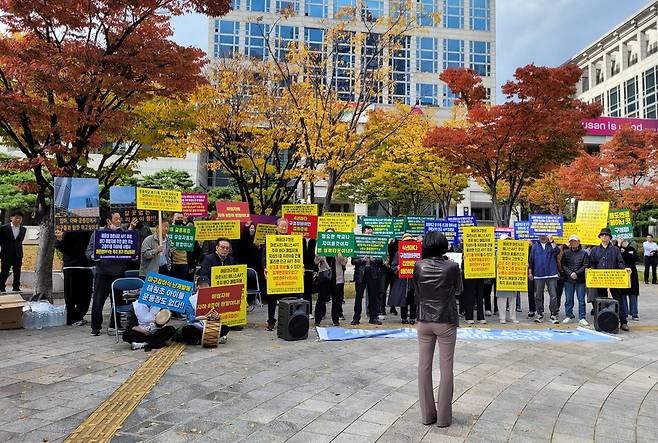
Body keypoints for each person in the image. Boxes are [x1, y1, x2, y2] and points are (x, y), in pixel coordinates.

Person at [413, 232, 462, 428]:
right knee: (446, 368)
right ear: (443, 245)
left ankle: (427, 415)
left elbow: (417, 290)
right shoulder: (452, 266)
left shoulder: (419, 266)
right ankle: (443, 418)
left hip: (424, 319)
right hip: (446, 320)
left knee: (423, 367)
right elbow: (459, 290)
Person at [86, 212, 138, 336]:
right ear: (109, 221)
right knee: (98, 301)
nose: (119, 221)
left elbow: (130, 249)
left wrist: (133, 256)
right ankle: (95, 327)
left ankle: (115, 325)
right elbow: (88, 250)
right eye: (116, 219)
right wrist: (93, 256)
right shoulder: (98, 233)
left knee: (118, 301)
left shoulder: (124, 234)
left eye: (120, 219)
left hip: (119, 272)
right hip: (102, 272)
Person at [589, 228, 631, 331]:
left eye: (606, 235)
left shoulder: (615, 249)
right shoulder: (595, 250)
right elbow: (592, 263)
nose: (604, 237)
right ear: (600, 237)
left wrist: (624, 269)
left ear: (609, 237)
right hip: (600, 279)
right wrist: (591, 271)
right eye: (602, 235)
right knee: (601, 301)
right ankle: (602, 322)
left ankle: (623, 321)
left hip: (614, 278)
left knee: (618, 299)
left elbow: (620, 262)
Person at [55, 229, 94, 325]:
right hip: (72, 266)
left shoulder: (91, 230)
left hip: (85, 266)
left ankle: (75, 317)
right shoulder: (68, 230)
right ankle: (73, 318)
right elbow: (63, 248)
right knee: (72, 295)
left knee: (84, 295)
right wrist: (59, 239)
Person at [177, 277, 230, 345]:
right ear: (198, 286)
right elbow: (189, 317)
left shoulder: (214, 297)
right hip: (197, 325)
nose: (204, 288)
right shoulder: (191, 299)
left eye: (206, 286)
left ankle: (201, 339)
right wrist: (200, 317)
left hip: (210, 325)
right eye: (202, 286)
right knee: (187, 329)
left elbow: (218, 315)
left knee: (225, 328)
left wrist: (216, 316)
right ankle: (209, 338)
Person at [263, 218, 293, 331]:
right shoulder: (270, 239)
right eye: (282, 226)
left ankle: (285, 321)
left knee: (286, 299)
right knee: (272, 300)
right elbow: (264, 255)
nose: (284, 228)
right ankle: (271, 321)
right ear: (277, 227)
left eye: (286, 226)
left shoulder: (292, 239)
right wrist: (265, 268)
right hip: (274, 274)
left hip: (288, 274)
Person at [351, 225, 385, 326]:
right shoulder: (357, 244)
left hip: (373, 273)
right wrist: (362, 260)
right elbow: (353, 261)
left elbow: (381, 260)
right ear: (363, 233)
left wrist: (375, 260)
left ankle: (373, 317)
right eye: (367, 234)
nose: (369, 235)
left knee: (373, 296)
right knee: (358, 296)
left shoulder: (376, 244)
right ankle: (356, 317)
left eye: (371, 234)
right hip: (361, 273)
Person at [529, 234, 560, 324]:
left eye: (544, 235)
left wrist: (552, 241)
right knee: (538, 295)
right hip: (538, 274)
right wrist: (530, 272)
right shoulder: (535, 246)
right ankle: (540, 314)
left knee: (553, 295)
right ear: (538, 236)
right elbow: (531, 260)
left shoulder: (551, 245)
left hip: (551, 273)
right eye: (541, 235)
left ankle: (553, 314)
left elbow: (557, 251)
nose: (542, 237)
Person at [561, 235, 589, 326]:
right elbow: (563, 265)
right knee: (569, 299)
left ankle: (582, 317)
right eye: (571, 241)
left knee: (581, 299)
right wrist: (570, 273)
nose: (573, 243)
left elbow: (585, 265)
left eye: (575, 241)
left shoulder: (583, 253)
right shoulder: (566, 253)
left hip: (580, 280)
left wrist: (576, 273)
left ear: (579, 242)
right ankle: (568, 315)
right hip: (568, 280)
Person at [388, 233, 417, 324]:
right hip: (402, 280)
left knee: (413, 299)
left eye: (410, 241)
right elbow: (393, 266)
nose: (408, 243)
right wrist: (398, 268)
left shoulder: (417, 252)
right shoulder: (398, 253)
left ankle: (412, 318)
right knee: (403, 299)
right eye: (406, 241)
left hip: (413, 279)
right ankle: (404, 318)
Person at [495, 234, 520, 324]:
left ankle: (513, 317)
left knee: (513, 298)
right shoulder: (497, 252)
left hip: (512, 277)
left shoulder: (515, 251)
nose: (507, 242)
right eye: (505, 240)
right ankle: (502, 317)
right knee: (502, 298)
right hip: (502, 277)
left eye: (508, 240)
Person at [0, 210, 27, 293]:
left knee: (17, 271)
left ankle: (16, 287)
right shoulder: (3, 228)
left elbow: (19, 241)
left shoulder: (23, 229)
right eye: (16, 218)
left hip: (18, 253)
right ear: (11, 218)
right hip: (6, 253)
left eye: (20, 218)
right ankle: (1, 287)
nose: (18, 220)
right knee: (5, 271)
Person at [170, 213, 200, 282]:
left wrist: (192, 265)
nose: (180, 220)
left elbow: (193, 249)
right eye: (178, 218)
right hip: (172, 263)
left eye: (181, 218)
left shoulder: (188, 230)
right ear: (173, 219)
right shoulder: (168, 230)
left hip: (185, 263)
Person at [618, 238, 640, 321]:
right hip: (621, 274)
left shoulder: (631, 249)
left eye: (623, 241)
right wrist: (619, 246)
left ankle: (634, 313)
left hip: (632, 273)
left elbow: (635, 258)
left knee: (633, 293)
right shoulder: (617, 249)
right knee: (622, 293)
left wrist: (625, 252)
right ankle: (625, 313)